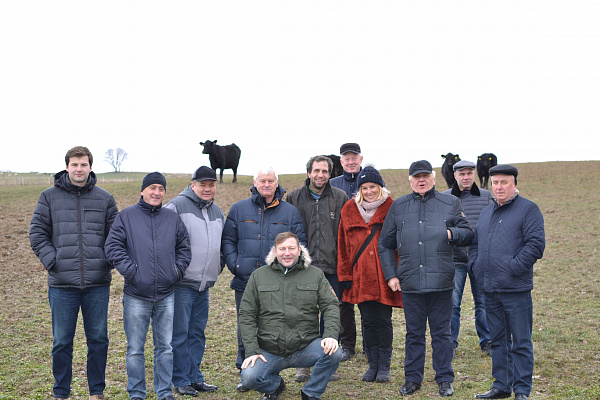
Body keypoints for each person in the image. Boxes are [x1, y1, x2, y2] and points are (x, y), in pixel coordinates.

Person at [29, 146, 118, 400]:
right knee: (62, 342)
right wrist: (53, 262)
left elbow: (116, 237)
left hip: (97, 283)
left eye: (84, 165)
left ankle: (96, 392)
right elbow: (37, 234)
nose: (79, 169)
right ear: (67, 166)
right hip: (62, 284)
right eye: (74, 164)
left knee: (99, 340)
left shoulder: (105, 199)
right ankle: (61, 393)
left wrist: (105, 262)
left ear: (91, 167)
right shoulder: (49, 197)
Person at [378, 160, 473, 397]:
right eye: (416, 177)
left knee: (442, 334)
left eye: (425, 176)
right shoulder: (399, 207)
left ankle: (444, 378)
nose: (421, 181)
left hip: (441, 282)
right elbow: (385, 245)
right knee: (414, 334)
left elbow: (468, 233)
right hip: (410, 282)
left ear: (434, 178)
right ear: (410, 181)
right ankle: (412, 378)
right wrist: (391, 275)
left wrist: (451, 233)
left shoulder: (450, 203)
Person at [105, 172, 191, 400]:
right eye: (152, 188)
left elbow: (184, 247)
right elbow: (113, 246)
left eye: (161, 189)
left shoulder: (172, 218)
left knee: (165, 348)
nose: (157, 192)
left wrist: (176, 271)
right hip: (136, 294)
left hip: (166, 294)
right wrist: (132, 271)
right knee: (135, 349)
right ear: (143, 191)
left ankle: (164, 393)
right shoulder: (126, 216)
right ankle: (137, 394)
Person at [221, 167, 307, 392]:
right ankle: (245, 372)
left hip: (279, 283)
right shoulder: (239, 209)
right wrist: (235, 265)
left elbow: (300, 244)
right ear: (255, 183)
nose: (266, 184)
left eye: (271, 181)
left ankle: (270, 375)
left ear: (277, 183)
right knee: (246, 328)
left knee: (272, 331)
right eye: (262, 181)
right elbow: (228, 241)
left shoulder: (289, 212)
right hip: (245, 280)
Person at [469, 165, 545, 400]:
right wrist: (475, 265)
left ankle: (521, 390)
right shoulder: (486, 212)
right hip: (490, 289)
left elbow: (535, 245)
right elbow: (475, 243)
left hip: (515, 289)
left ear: (514, 184)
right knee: (499, 341)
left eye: (504, 182)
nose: (499, 187)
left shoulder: (528, 209)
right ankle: (501, 385)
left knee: (521, 342)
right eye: (495, 183)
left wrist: (513, 268)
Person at [239, 232, 342, 400]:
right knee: (249, 378)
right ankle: (275, 385)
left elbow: (330, 305)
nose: (287, 253)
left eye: (291, 248)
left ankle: (311, 392)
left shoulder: (315, 274)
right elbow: (246, 314)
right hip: (269, 349)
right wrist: (252, 350)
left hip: (305, 346)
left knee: (334, 352)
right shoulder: (259, 276)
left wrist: (330, 335)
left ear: (299, 250)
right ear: (275, 250)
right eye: (282, 249)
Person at [337, 166, 403, 383]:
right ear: (359, 190)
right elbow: (343, 245)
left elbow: (400, 245)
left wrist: (398, 273)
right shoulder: (349, 209)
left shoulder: (392, 207)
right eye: (364, 188)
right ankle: (372, 364)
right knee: (367, 320)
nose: (369, 191)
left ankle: (384, 366)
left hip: (385, 276)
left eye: (372, 186)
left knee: (383, 320)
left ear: (380, 187)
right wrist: (345, 274)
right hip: (360, 276)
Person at [286, 155, 348, 383]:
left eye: (325, 171)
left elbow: (345, 234)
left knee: (331, 316)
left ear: (330, 174)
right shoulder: (293, 198)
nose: (320, 175)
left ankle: (328, 361)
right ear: (309, 172)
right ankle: (303, 364)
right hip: (303, 268)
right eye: (316, 171)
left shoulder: (340, 197)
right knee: (303, 316)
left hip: (332, 268)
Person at [163, 166, 223, 396]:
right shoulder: (176, 206)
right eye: (202, 184)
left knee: (197, 333)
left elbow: (220, 245)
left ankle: (195, 377)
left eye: (211, 184)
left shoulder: (217, 211)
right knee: (180, 334)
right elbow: (164, 242)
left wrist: (217, 268)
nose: (207, 189)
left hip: (203, 285)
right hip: (182, 284)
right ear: (192, 185)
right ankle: (180, 379)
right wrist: (175, 271)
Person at [330, 143, 383, 361]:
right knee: (344, 302)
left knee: (369, 302)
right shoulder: (333, 185)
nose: (351, 162)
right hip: (340, 250)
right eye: (346, 159)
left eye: (354, 158)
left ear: (361, 159)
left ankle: (371, 344)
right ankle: (348, 344)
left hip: (368, 253)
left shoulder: (371, 183)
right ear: (341, 162)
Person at [442, 160, 493, 356]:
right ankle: (450, 343)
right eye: (461, 174)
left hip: (480, 259)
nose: (466, 177)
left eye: (469, 173)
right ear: (454, 175)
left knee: (483, 302)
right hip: (455, 259)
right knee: (453, 303)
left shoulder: (487, 197)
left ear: (474, 175)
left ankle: (487, 341)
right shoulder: (445, 198)